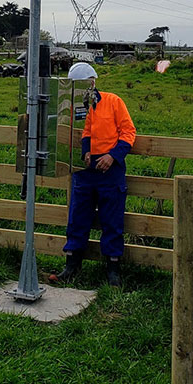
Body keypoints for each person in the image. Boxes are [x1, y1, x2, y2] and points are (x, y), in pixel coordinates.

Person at [50, 63, 136, 287]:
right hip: (85, 172)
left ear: (92, 82)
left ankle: (113, 270)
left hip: (111, 171)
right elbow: (85, 132)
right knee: (77, 217)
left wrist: (113, 156)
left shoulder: (113, 102)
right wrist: (85, 151)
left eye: (82, 84)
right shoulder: (76, 106)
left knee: (112, 220)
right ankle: (72, 266)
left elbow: (128, 131)